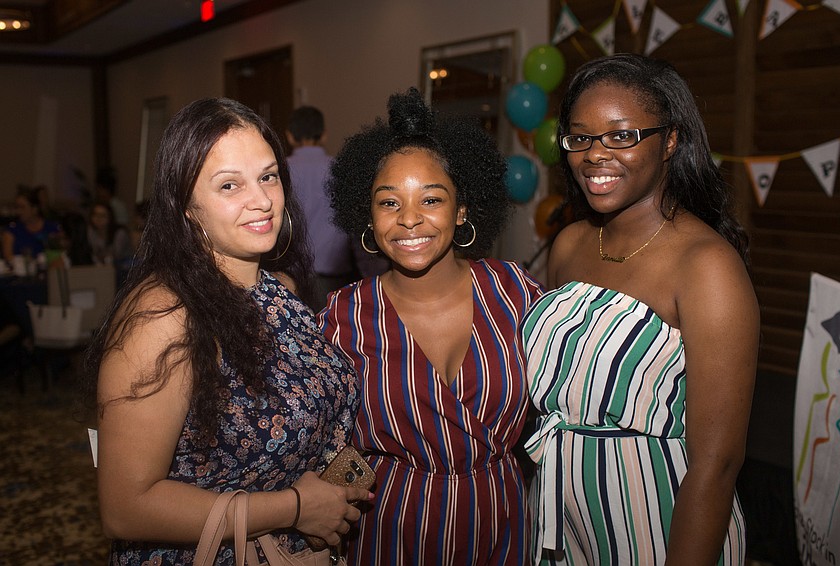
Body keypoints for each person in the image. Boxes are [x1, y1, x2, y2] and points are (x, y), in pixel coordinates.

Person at [82, 97, 373, 565]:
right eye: (229, 185)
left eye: (268, 177)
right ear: (186, 206)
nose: (262, 200)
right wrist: (296, 508)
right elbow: (126, 508)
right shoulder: (163, 316)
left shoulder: (279, 288)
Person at [521, 54, 758, 565]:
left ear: (670, 140)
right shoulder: (569, 244)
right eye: (580, 137)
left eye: (621, 136)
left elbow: (717, 464)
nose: (594, 154)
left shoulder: (706, 266)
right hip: (559, 520)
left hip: (658, 522)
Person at [318, 87, 544, 565]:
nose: (409, 219)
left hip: (501, 525)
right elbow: (325, 444)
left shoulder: (515, 293)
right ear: (368, 216)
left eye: (431, 199)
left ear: (462, 209)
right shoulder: (342, 317)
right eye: (389, 203)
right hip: (391, 532)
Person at [286, 106, 359, 312]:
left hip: (292, 274)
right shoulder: (341, 169)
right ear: (324, 135)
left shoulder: (279, 170)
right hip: (334, 274)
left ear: (289, 136)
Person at [1, 185, 61, 266]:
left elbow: (58, 259)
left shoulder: (51, 228)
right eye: (17, 207)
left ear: (34, 209)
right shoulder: (11, 231)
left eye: (22, 207)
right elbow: (8, 258)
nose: (18, 212)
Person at [86, 201, 134, 267]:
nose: (98, 219)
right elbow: (93, 253)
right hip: (103, 267)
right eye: (95, 215)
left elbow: (117, 255)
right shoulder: (91, 231)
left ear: (110, 217)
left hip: (125, 266)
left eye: (102, 216)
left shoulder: (119, 233)